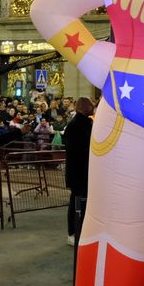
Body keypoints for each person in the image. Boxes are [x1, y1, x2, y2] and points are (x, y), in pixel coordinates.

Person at [63, 97, 93, 246]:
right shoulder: (83, 125)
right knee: (77, 203)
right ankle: (74, 232)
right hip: (81, 172)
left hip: (76, 172)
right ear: (84, 107)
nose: (93, 107)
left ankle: (75, 231)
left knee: (78, 202)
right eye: (91, 105)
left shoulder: (74, 125)